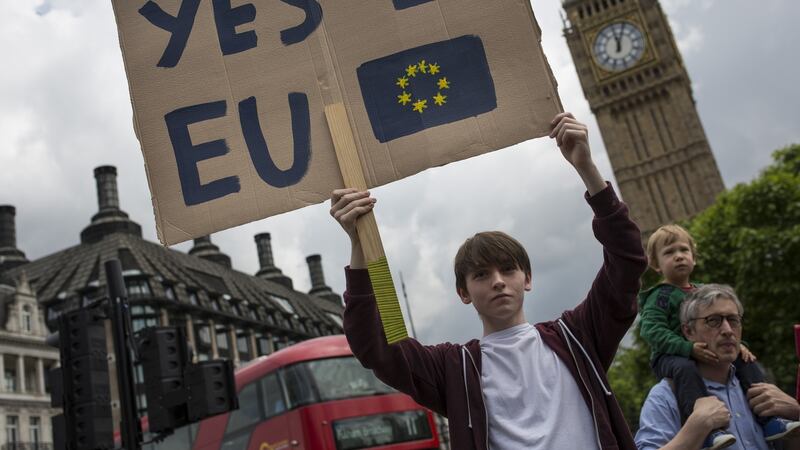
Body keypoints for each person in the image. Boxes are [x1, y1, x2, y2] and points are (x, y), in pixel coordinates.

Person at [330, 112, 648, 449]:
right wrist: (362, 244)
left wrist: (587, 169)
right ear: (463, 293)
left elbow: (626, 262)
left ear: (527, 279)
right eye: (481, 274)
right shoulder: (454, 370)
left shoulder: (578, 337)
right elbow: (379, 342)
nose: (498, 281)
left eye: (508, 270)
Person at [639, 225, 799, 449]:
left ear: (694, 258)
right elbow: (651, 331)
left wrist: (795, 411)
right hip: (672, 357)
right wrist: (696, 427)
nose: (727, 329)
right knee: (685, 369)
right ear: (688, 330)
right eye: (713, 321)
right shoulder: (665, 397)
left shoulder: (702, 290)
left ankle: (770, 421)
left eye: (733, 320)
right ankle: (711, 433)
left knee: (749, 362)